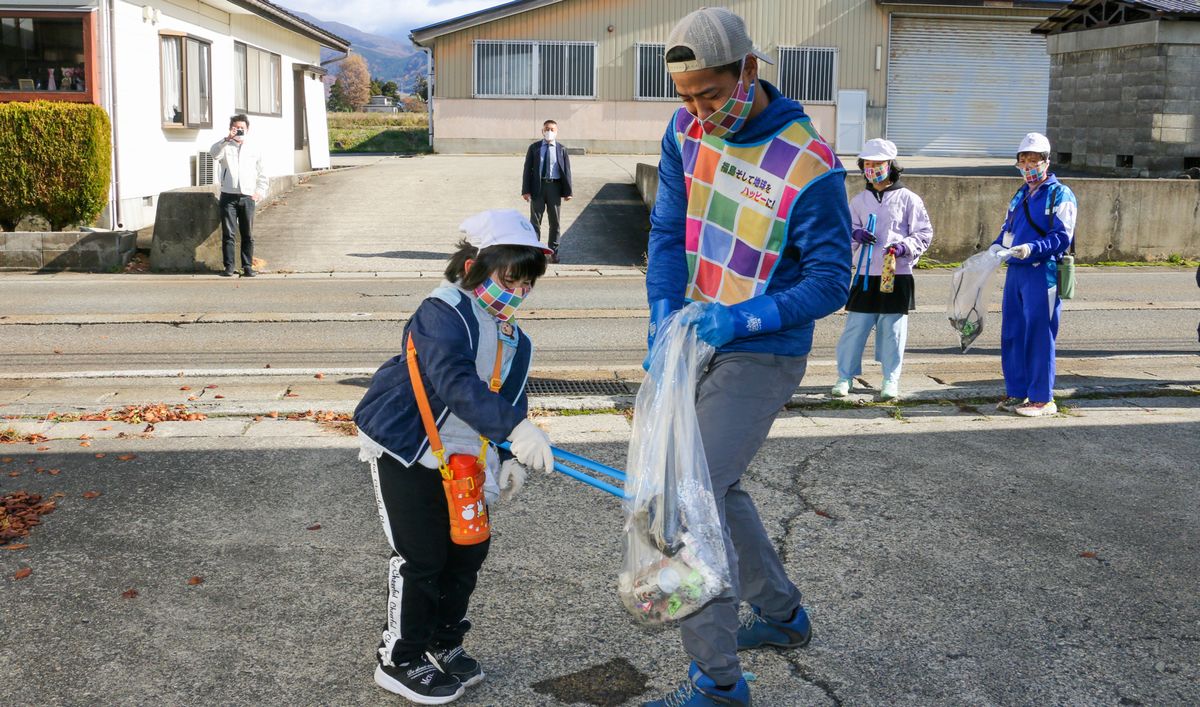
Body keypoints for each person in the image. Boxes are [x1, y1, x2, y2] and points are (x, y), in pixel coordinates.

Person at [642, 7, 851, 706]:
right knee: (718, 485)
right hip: (697, 333)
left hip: (762, 348)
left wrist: (743, 318)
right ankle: (784, 614)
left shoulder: (808, 163)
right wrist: (663, 314)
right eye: (688, 98)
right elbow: (669, 228)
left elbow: (830, 281)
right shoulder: (683, 132)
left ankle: (718, 682)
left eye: (713, 94)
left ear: (750, 70)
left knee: (692, 493)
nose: (701, 112)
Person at [353, 209, 556, 705]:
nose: (519, 292)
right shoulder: (442, 310)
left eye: (527, 282)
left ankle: (443, 644)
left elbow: (511, 396)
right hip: (408, 449)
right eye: (511, 277)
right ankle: (400, 658)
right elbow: (453, 380)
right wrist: (516, 429)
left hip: (466, 459)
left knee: (467, 553)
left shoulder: (515, 337)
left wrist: (509, 454)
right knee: (421, 557)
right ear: (473, 265)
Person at [831, 138, 933, 401]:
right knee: (855, 327)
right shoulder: (859, 201)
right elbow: (846, 232)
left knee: (893, 330)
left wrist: (904, 247)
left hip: (896, 274)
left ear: (891, 166)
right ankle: (845, 376)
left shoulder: (909, 199)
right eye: (867, 163)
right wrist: (856, 233)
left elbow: (923, 233)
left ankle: (891, 378)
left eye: (878, 163)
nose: (872, 168)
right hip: (865, 273)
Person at [989, 132, 1078, 417]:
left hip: (1043, 271)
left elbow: (1062, 236)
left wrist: (1032, 248)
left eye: (1034, 160)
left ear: (1046, 161)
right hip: (1016, 270)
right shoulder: (1019, 194)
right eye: (1023, 160)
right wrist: (993, 249)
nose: (1028, 166)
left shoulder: (1060, 193)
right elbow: (1007, 231)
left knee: (1039, 334)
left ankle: (1042, 397)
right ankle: (1017, 391)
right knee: (1012, 332)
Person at [209, 114, 268, 277]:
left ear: (247, 129)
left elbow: (263, 173)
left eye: (242, 128)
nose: (240, 131)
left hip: (248, 196)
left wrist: (259, 192)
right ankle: (229, 266)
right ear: (231, 129)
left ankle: (247, 266)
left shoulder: (254, 148)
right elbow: (213, 154)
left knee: (247, 234)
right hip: (228, 196)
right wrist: (227, 138)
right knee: (229, 233)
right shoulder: (225, 146)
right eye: (236, 128)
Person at [521, 119, 573, 263]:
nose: (549, 132)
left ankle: (553, 252)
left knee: (554, 222)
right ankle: (534, 252)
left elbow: (567, 171)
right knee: (535, 221)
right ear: (542, 131)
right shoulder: (534, 148)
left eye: (552, 129)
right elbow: (527, 170)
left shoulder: (561, 149)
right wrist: (525, 190)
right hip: (538, 187)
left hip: (554, 188)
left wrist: (568, 191)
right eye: (547, 129)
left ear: (556, 132)